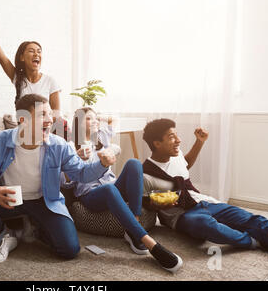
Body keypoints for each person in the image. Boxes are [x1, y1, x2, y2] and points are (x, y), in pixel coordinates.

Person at [0, 94, 117, 263]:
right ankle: (4, 236)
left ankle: (37, 229)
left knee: (69, 249)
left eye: (50, 114)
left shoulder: (58, 145)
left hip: (44, 201)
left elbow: (81, 174)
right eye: (43, 115)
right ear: (23, 119)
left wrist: (102, 164)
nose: (50, 120)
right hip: (9, 199)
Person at [142, 118, 268, 256]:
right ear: (157, 143)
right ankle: (251, 241)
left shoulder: (176, 155)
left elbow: (184, 164)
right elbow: (144, 202)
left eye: (177, 135)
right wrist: (159, 203)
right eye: (171, 137)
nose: (178, 140)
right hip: (182, 215)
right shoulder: (146, 171)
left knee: (256, 221)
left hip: (206, 202)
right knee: (204, 224)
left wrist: (199, 142)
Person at [61, 108, 183, 273]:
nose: (96, 121)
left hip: (112, 184)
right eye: (89, 119)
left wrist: (97, 117)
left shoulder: (101, 138)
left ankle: (134, 224)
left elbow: (114, 119)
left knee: (134, 163)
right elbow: (64, 182)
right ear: (78, 123)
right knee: (109, 189)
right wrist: (75, 157)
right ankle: (147, 241)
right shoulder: (69, 146)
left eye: (96, 118)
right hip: (90, 194)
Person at [0, 3, 61, 111]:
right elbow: (0, 55)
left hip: (43, 128)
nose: (36, 54)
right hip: (23, 127)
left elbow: (56, 116)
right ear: (22, 57)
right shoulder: (18, 78)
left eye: (39, 51)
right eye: (31, 51)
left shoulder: (50, 81)